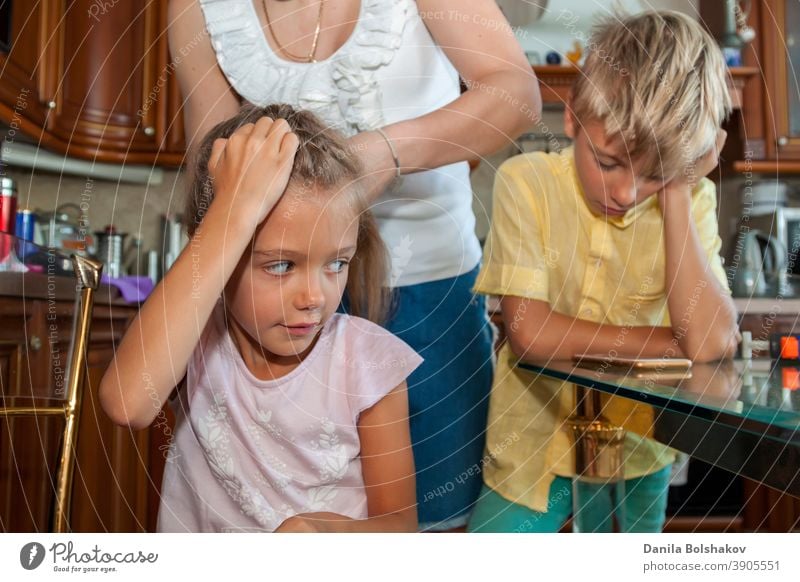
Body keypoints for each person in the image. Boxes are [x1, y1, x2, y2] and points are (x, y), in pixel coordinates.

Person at [168, 0, 541, 530]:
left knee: (431, 530)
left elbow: (516, 94)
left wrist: (383, 153)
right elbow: (213, 175)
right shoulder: (194, 8)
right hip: (274, 310)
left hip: (430, 298)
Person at [466, 11, 740, 533]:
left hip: (640, 450)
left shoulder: (691, 199)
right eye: (610, 162)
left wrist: (679, 191)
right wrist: (671, 343)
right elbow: (531, 337)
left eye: (655, 174)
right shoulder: (526, 183)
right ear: (571, 117)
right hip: (530, 451)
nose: (627, 193)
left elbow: (709, 341)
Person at [99, 103, 423, 533]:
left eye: (337, 264)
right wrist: (233, 209)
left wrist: (323, 533)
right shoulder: (194, 337)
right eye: (281, 266)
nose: (314, 298)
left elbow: (400, 527)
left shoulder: (369, 363)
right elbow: (127, 403)